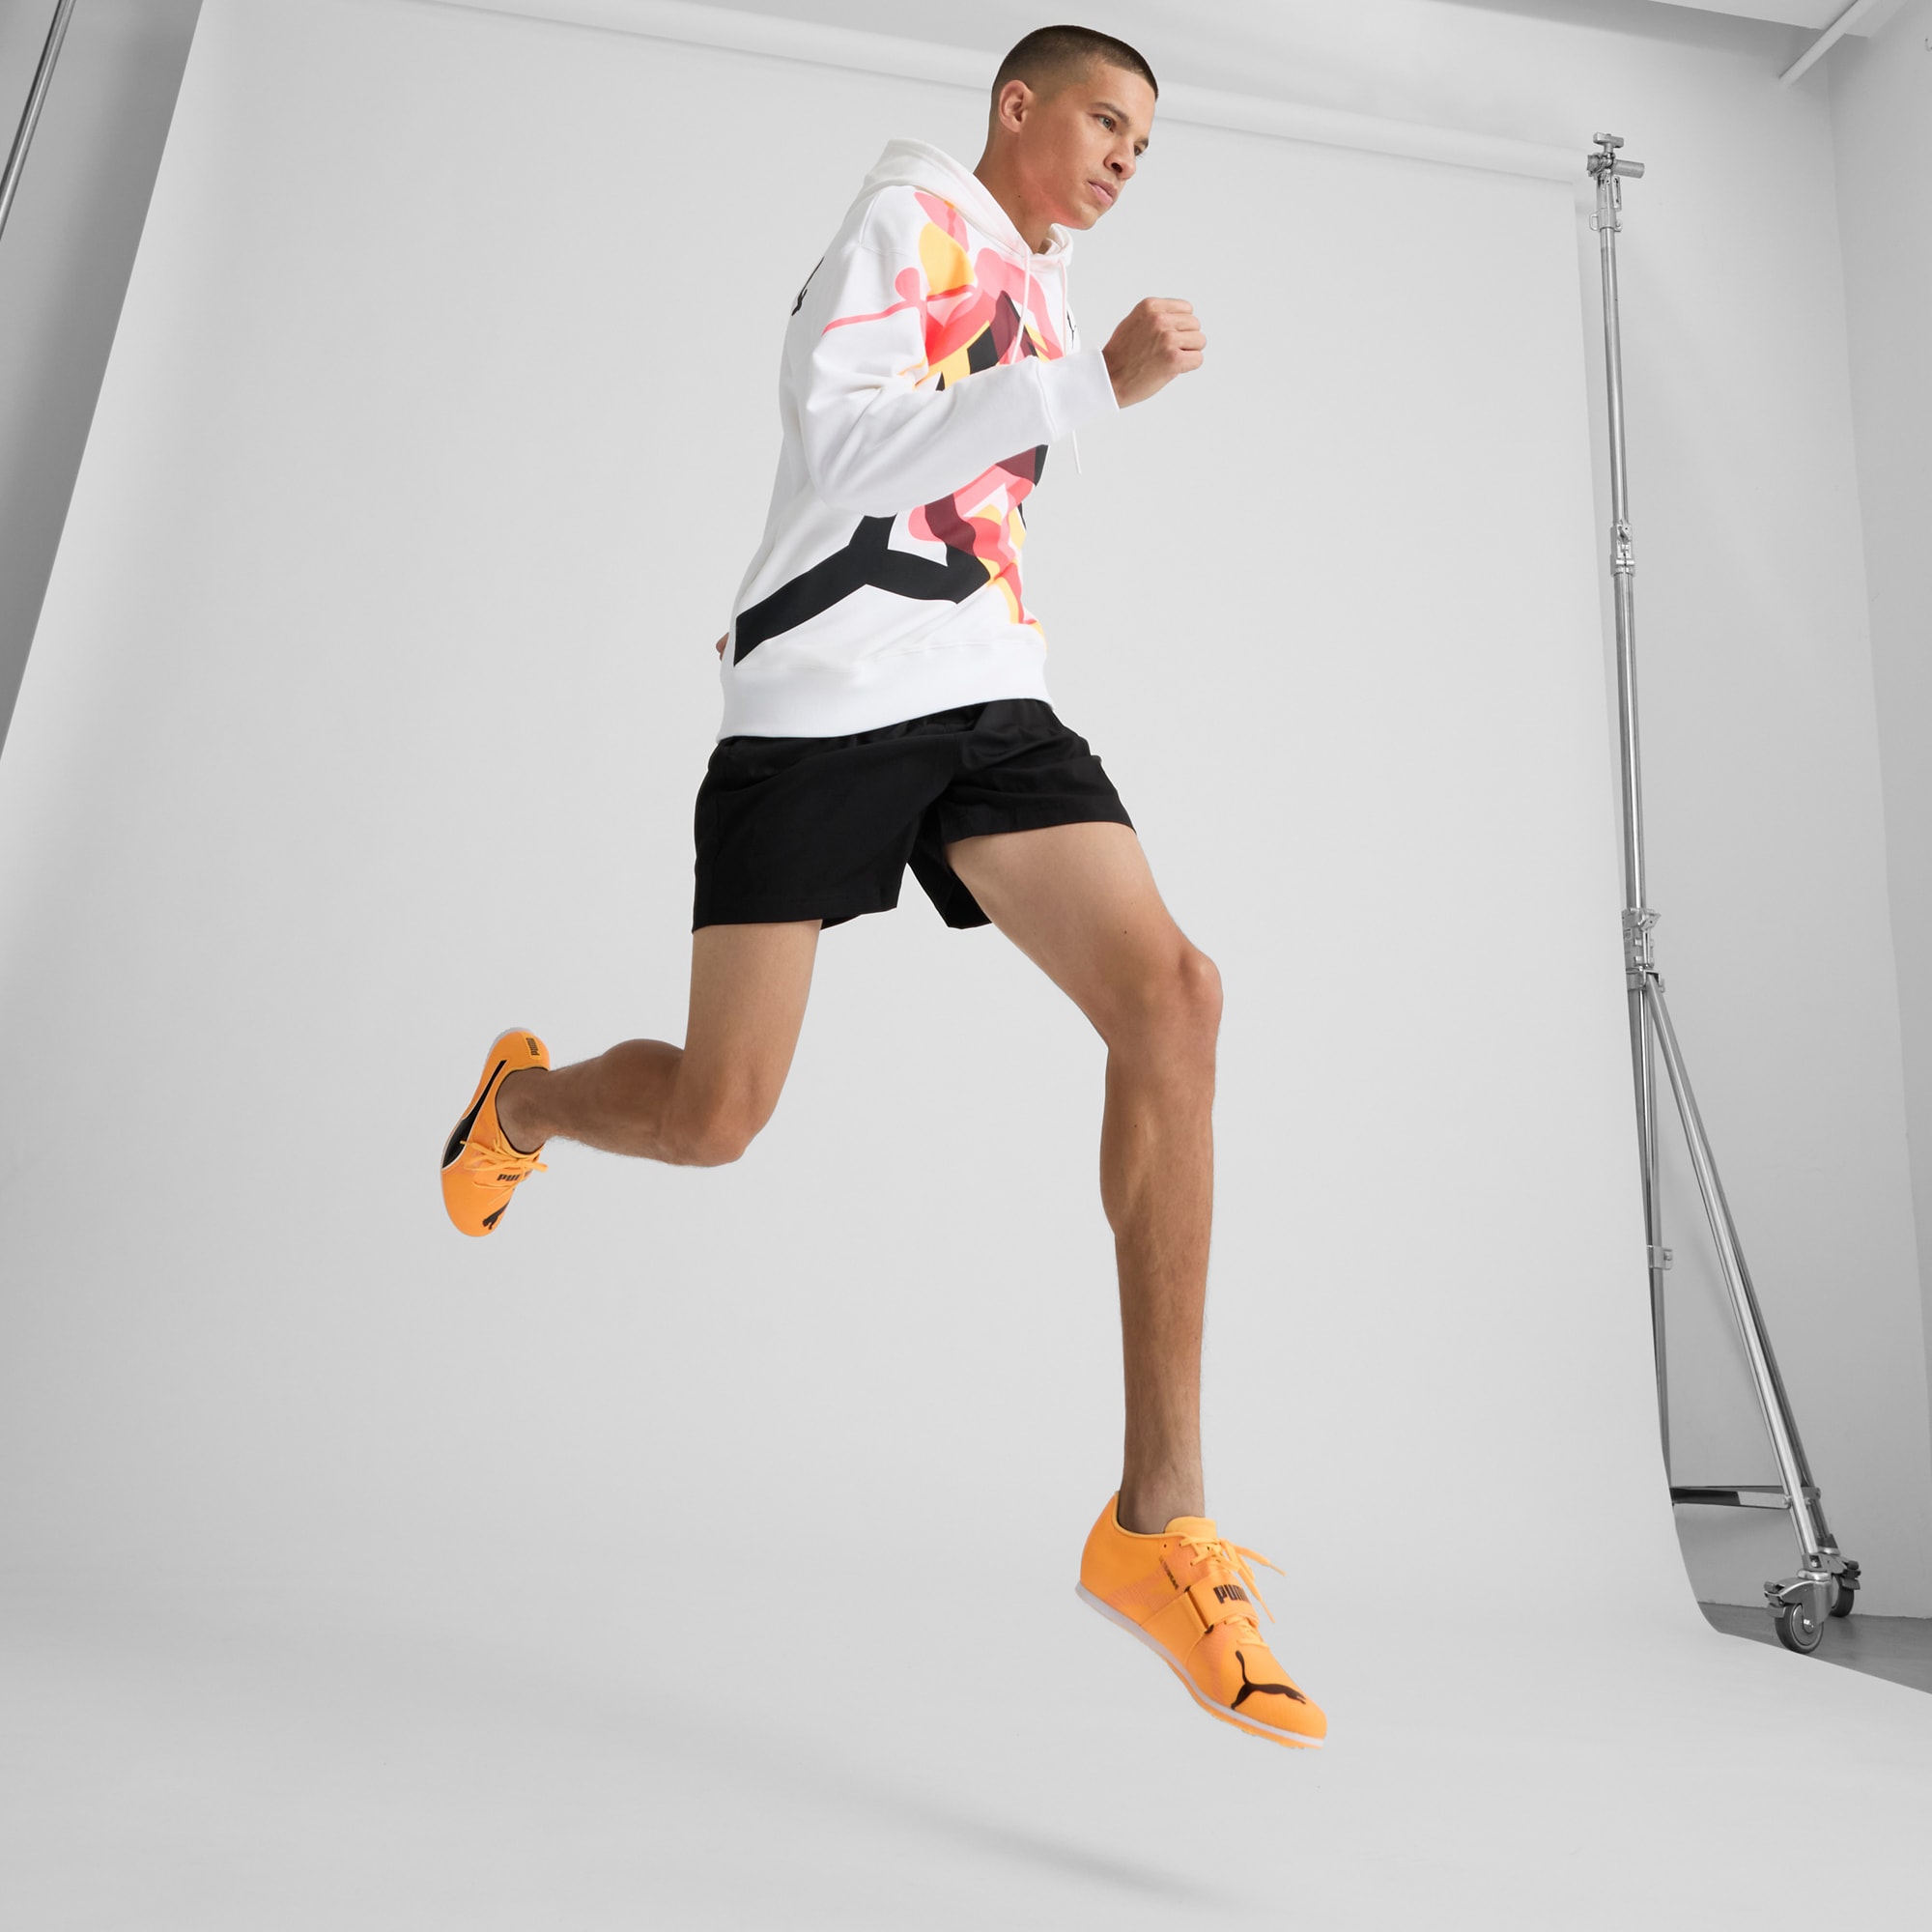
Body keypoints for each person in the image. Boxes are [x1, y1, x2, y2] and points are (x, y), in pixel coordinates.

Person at [440, 23, 1325, 1751]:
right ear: (1016, 106)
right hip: (816, 709)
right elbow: (846, 453)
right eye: (1106, 121)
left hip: (984, 701)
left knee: (1176, 997)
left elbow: (970, 511)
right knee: (716, 1117)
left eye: (1146, 143)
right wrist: (1089, 388)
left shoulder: (1044, 283)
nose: (1125, 159)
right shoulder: (904, 223)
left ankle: (1160, 1524)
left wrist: (1078, 380)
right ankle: (522, 1104)